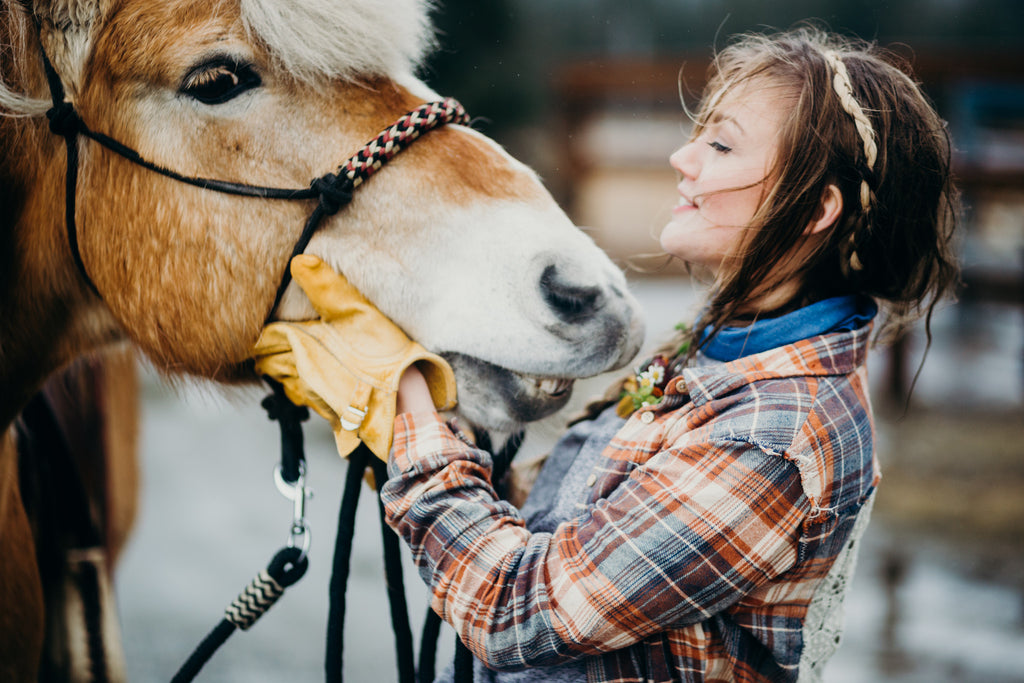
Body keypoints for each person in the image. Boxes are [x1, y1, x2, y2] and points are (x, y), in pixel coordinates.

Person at [255, 25, 959, 683]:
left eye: (721, 146)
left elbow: (516, 610)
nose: (683, 158)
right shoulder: (723, 349)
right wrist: (429, 422)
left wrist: (409, 407)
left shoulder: (773, 438)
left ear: (814, 213)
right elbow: (569, 523)